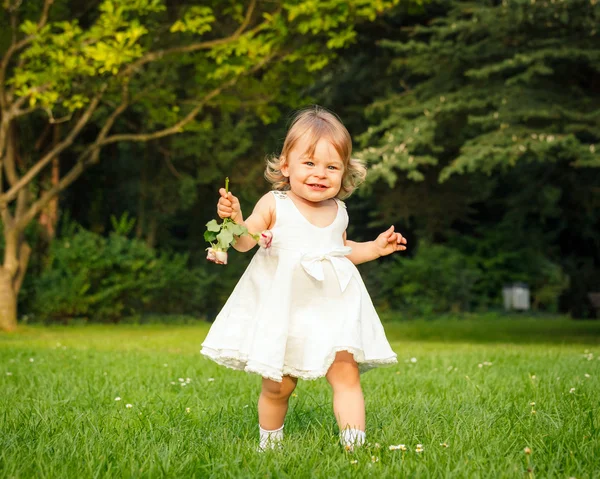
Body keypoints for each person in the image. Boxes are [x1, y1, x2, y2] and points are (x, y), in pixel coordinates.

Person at [200, 105, 407, 452]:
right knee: (279, 386)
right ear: (286, 165)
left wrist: (374, 248)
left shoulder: (338, 210)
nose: (319, 174)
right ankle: (270, 444)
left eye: (331, 166)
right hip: (286, 310)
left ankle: (354, 448)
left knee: (346, 374)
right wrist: (235, 217)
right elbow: (244, 242)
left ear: (344, 172)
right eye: (309, 163)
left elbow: (342, 250)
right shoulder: (274, 204)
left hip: (331, 308)